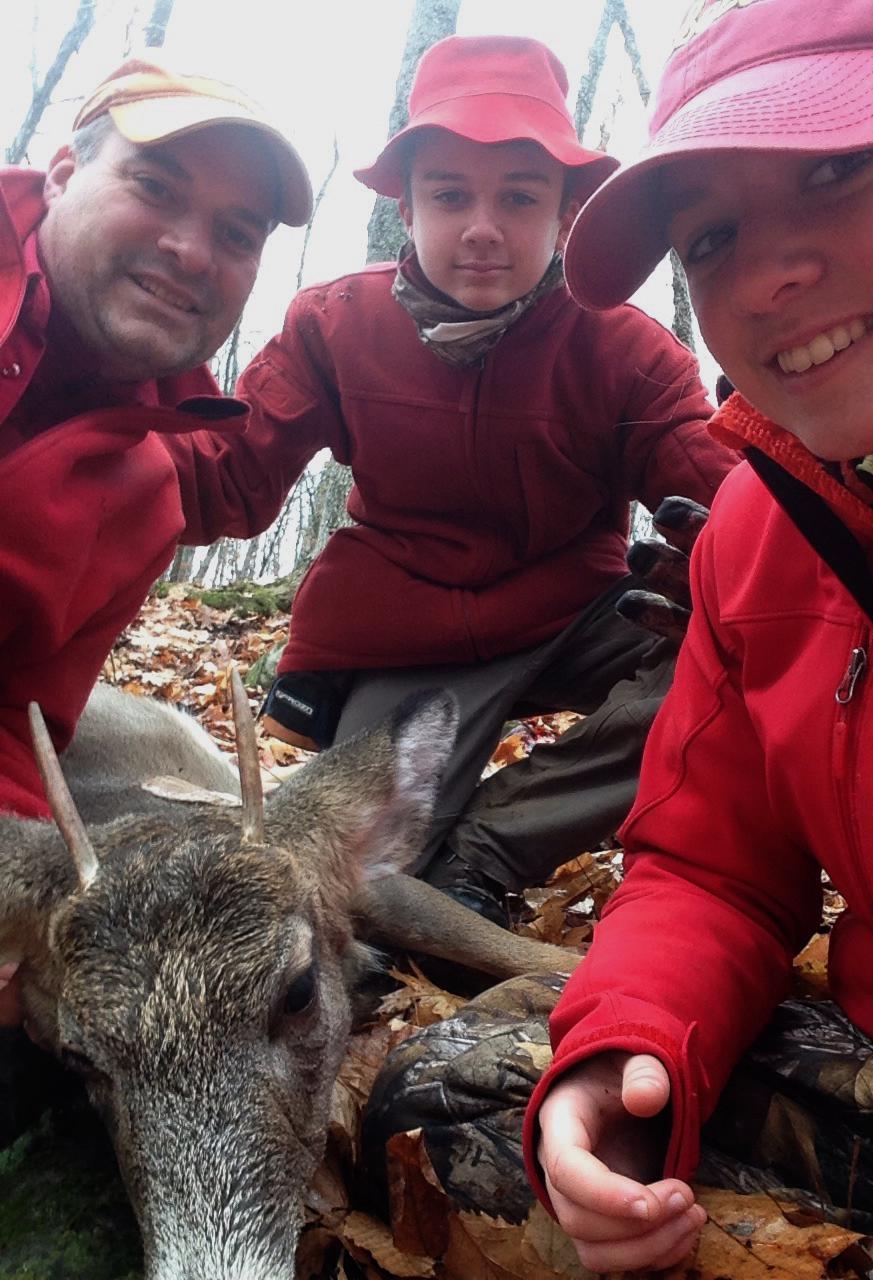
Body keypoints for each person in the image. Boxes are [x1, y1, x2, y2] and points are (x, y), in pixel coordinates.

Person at [516, 0, 873, 1270]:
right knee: (462, 1104)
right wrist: (630, 1048)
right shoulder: (758, 526)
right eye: (711, 236)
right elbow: (714, 864)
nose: (767, 276)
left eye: (838, 164)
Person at [246, 34, 736, 924]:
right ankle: (417, 849)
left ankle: (493, 845)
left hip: (577, 617)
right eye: (449, 194)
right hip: (409, 635)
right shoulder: (331, 325)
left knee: (746, 665)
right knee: (337, 895)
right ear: (407, 202)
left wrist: (813, 459)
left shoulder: (623, 349)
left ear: (564, 211)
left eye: (519, 196)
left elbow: (731, 499)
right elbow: (223, 483)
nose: (482, 227)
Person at [0, 57, 318, 1030]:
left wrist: (17, 914)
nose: (190, 250)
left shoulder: (146, 495)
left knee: (197, 801)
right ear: (60, 172)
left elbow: (19, 727)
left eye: (237, 233)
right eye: (156, 187)